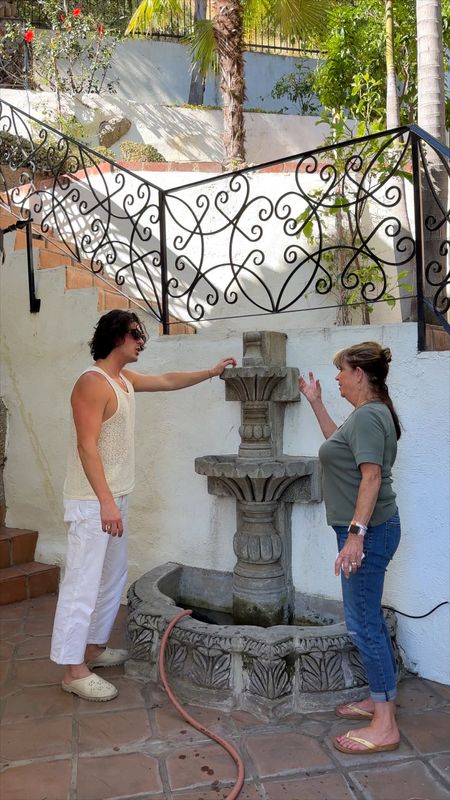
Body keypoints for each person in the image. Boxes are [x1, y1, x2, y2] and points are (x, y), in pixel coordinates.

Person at [50, 309, 236, 702]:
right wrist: (105, 503)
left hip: (114, 496)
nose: (141, 342)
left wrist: (210, 372)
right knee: (82, 584)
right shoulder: (92, 383)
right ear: (116, 336)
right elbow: (87, 447)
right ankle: (72, 669)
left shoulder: (123, 381)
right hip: (92, 502)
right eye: (136, 334)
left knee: (111, 577)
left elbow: (166, 380)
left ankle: (94, 649)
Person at [298, 341, 401, 755]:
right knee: (365, 621)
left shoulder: (369, 417)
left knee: (363, 625)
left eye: (340, 371)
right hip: (369, 529)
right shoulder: (364, 417)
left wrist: (356, 536)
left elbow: (371, 477)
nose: (337, 378)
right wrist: (316, 403)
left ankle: (385, 724)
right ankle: (379, 701)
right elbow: (336, 445)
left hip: (369, 532)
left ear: (359, 373)